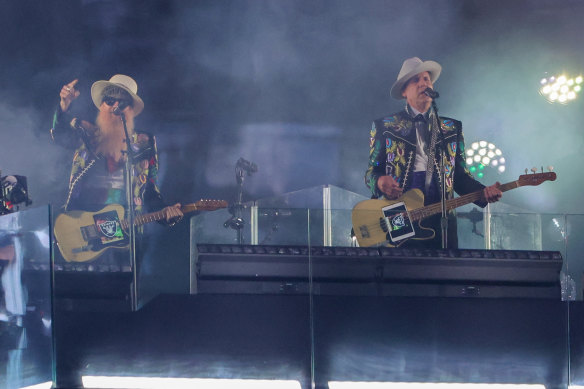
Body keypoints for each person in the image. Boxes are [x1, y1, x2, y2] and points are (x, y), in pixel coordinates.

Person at [364, 57, 502, 249]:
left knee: (443, 271)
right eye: (415, 80)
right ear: (404, 91)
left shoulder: (451, 127)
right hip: (399, 212)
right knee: (400, 267)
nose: (423, 83)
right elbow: (371, 173)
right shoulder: (385, 126)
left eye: (426, 79)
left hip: (441, 215)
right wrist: (380, 182)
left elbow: (459, 177)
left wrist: (483, 193)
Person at [50, 74, 183, 264]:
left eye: (123, 103)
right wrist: (64, 105)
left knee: (121, 284)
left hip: (126, 228)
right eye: (110, 100)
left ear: (131, 110)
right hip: (84, 222)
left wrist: (165, 213)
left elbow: (150, 188)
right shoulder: (86, 132)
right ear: (101, 105)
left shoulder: (144, 143)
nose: (115, 107)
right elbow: (60, 136)